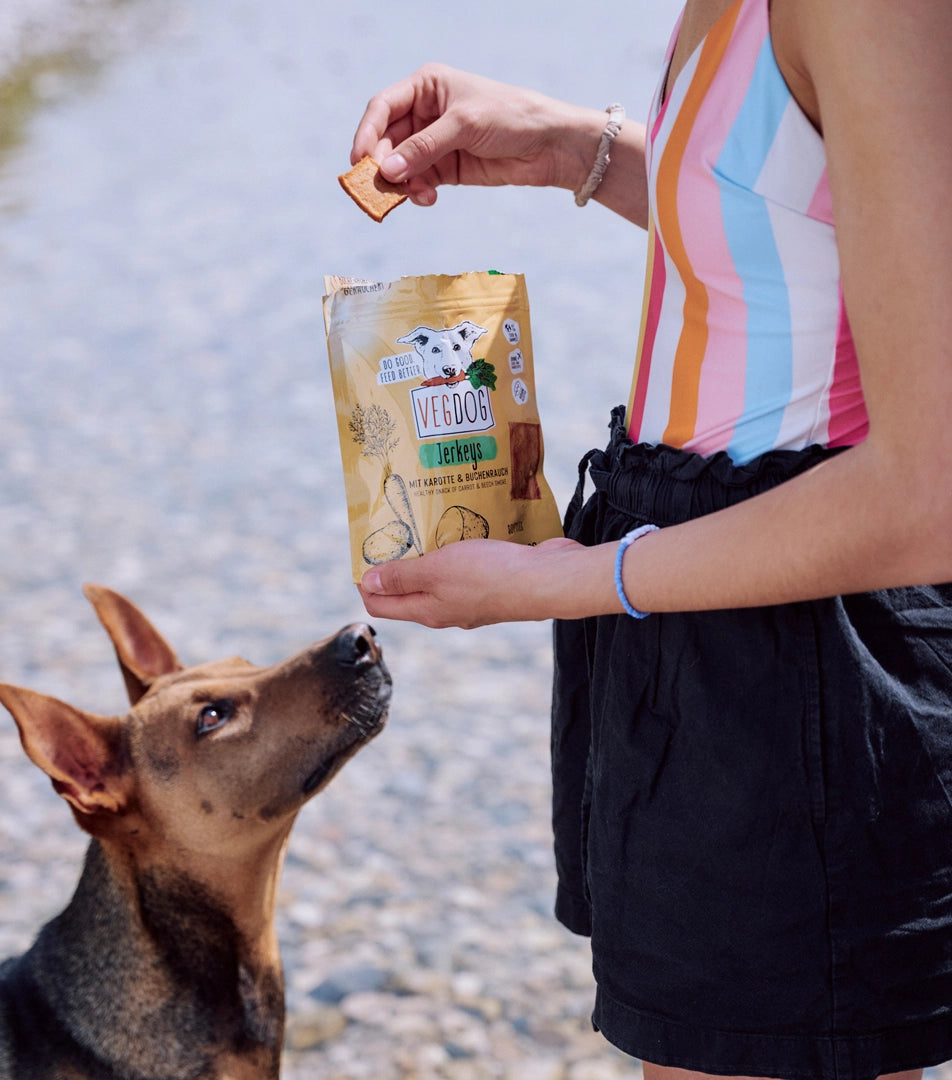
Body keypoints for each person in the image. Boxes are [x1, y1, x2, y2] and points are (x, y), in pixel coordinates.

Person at [349, 1, 952, 1079]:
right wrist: (573, 148)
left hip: (806, 668)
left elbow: (929, 495)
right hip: (700, 614)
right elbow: (796, 233)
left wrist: (572, 583)